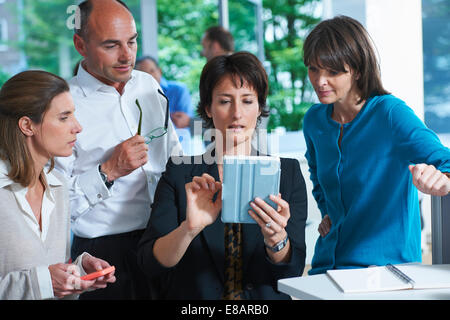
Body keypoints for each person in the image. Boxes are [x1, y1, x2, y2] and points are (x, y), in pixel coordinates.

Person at [137, 52, 308, 300]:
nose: (237, 113)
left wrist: (277, 239)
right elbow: (150, 263)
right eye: (225, 101)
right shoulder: (180, 173)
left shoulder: (287, 173)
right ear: (208, 108)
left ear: (260, 106)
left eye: (248, 101)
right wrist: (189, 229)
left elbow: (291, 271)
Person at [301, 15, 450, 275]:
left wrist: (442, 179)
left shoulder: (389, 114)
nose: (319, 80)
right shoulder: (314, 120)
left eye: (333, 71)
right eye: (313, 69)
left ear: (357, 70)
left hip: (387, 269)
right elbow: (316, 175)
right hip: (327, 266)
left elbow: (444, 160)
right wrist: (326, 211)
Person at [54, 0, 182, 299]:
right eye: (111, 45)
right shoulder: (61, 105)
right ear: (80, 45)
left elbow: (174, 157)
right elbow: (54, 209)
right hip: (103, 256)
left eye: (132, 42)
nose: (127, 55)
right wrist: (108, 171)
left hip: (165, 241)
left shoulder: (148, 85)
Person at [0, 70, 115, 299]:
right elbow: (40, 281)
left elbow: (48, 277)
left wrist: (78, 274)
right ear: (27, 125)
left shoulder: (58, 186)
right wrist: (42, 282)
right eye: (64, 117)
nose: (78, 127)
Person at [136, 56, 194, 153]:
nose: (150, 76)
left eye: (152, 71)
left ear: (160, 71)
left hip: (179, 148)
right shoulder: (137, 97)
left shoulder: (178, 90)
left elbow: (184, 125)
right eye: (144, 74)